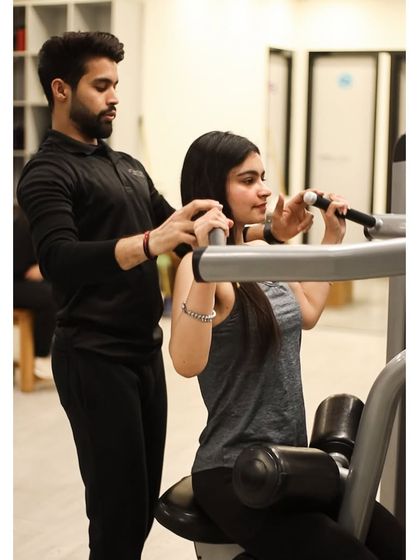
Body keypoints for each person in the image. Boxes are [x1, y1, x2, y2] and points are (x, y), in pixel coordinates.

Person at [16, 33, 313, 559]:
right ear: (61, 90)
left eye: (116, 85)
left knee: (138, 506)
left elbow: (192, 234)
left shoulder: (124, 165)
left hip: (141, 350)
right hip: (93, 354)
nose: (113, 97)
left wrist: (275, 233)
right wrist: (151, 241)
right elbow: (60, 259)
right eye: (100, 85)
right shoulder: (47, 172)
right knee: (117, 512)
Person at [169, 131, 404, 560]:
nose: (263, 189)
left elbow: (308, 311)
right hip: (235, 471)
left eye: (262, 176)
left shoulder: (261, 249)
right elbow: (186, 362)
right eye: (246, 179)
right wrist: (206, 265)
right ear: (213, 192)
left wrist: (331, 238)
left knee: (398, 544)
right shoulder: (195, 267)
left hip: (291, 461)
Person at [13, 204, 56, 378]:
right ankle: (39, 356)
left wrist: (43, 268)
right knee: (50, 296)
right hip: (14, 279)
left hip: (21, 277)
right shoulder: (24, 216)